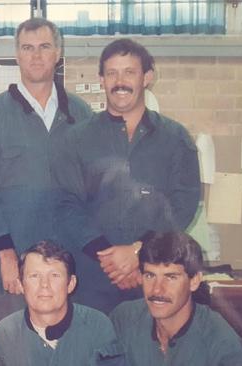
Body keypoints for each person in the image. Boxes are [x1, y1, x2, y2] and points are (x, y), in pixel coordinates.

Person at [51, 38, 201, 314]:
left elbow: (184, 203)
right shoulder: (76, 139)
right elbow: (65, 203)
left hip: (154, 278)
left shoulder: (175, 138)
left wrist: (137, 251)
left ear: (147, 77)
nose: (120, 81)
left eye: (129, 72)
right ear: (101, 79)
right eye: (112, 73)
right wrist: (110, 258)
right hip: (92, 280)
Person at [0, 17, 93, 326]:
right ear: (17, 54)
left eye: (44, 47)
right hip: (15, 270)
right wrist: (5, 256)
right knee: (12, 351)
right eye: (28, 48)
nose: (36, 56)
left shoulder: (82, 115)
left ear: (58, 53)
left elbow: (94, 191)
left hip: (69, 267)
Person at [110, 232, 242, 365]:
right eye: (150, 276)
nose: (157, 289)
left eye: (171, 277)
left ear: (194, 281)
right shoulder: (124, 319)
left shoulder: (219, 339)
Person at [0, 241, 124, 366]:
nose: (44, 285)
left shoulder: (98, 326)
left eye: (54, 275)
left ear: (70, 284)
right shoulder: (4, 334)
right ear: (21, 285)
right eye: (34, 276)